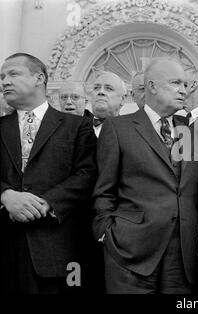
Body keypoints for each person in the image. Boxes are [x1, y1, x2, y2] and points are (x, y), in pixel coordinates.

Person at [92, 57, 198, 293]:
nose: (183, 90)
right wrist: (106, 233)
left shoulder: (193, 130)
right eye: (176, 83)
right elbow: (104, 189)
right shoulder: (118, 128)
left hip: (183, 254)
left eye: (185, 85)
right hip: (129, 252)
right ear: (151, 87)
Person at [0, 53, 97, 294]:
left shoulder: (77, 126)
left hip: (58, 251)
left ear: (39, 78)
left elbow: (87, 174)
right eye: (2, 77)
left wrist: (45, 203)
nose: (4, 82)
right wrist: (5, 196)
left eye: (13, 74)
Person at [90, 71, 126, 137]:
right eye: (96, 88)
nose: (101, 92)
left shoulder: (130, 130)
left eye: (109, 88)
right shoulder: (77, 127)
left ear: (122, 99)